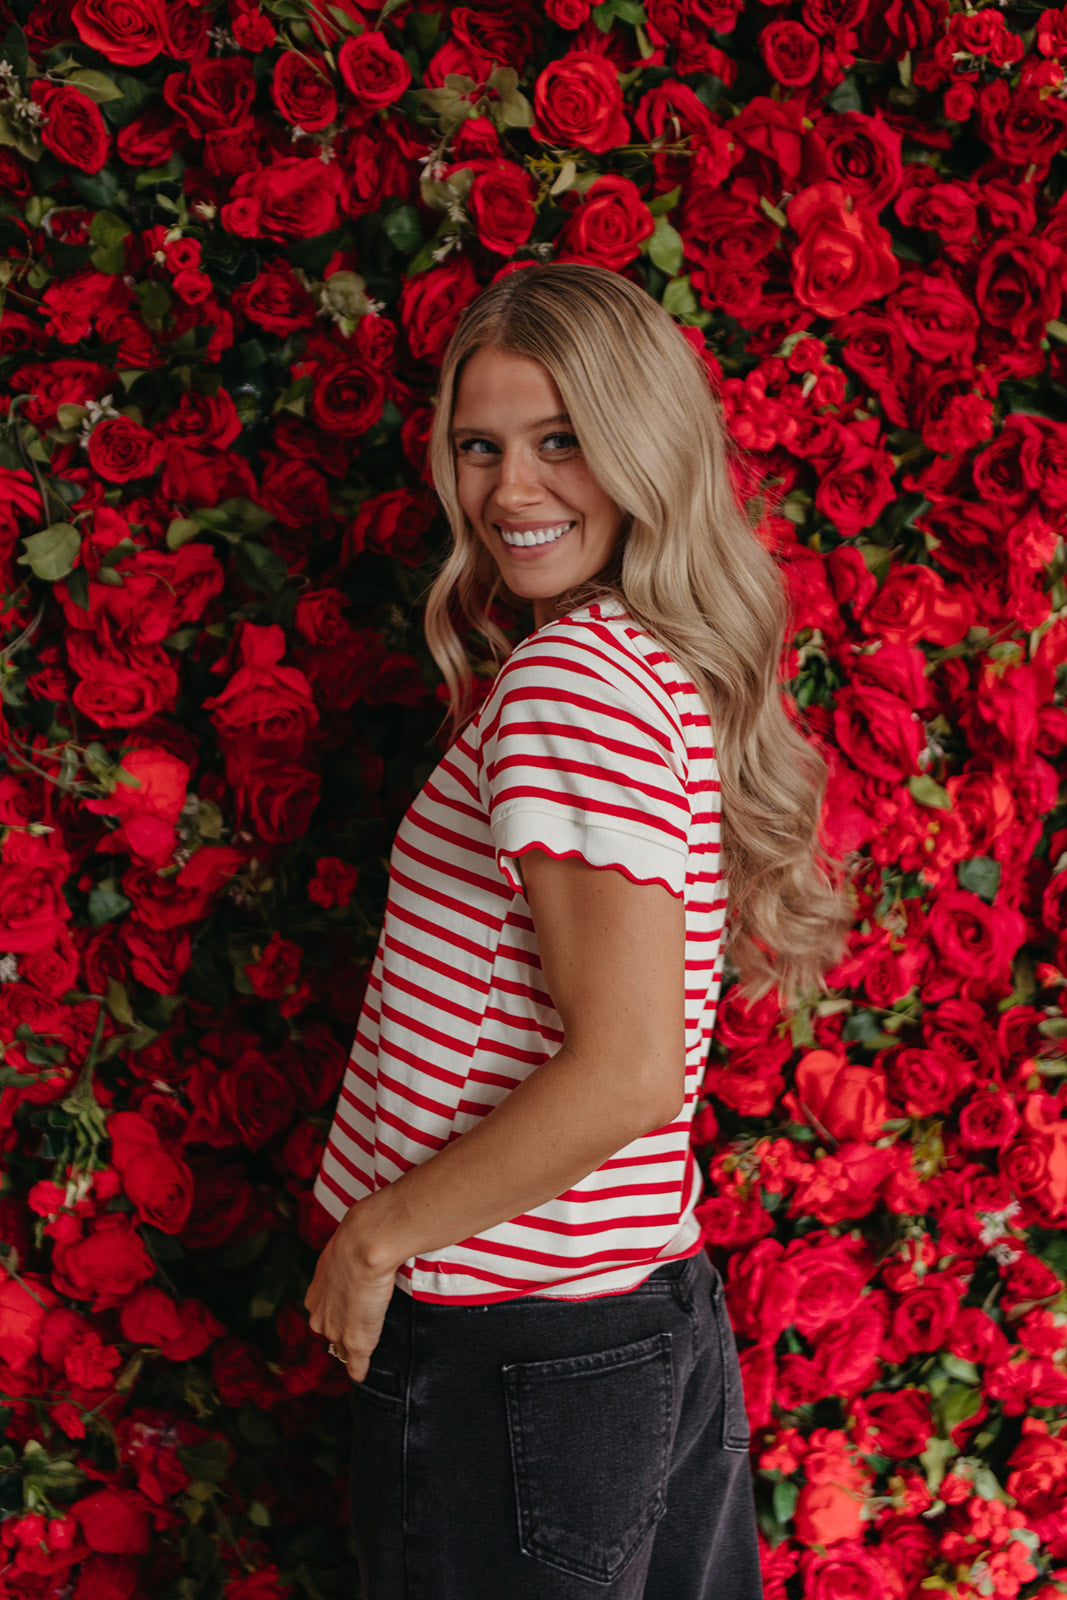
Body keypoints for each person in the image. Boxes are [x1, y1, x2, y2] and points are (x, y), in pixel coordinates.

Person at [305, 263, 847, 1600]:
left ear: (640, 445)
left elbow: (624, 1071)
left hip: (516, 1351)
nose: (509, 491)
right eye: (479, 447)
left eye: (561, 441)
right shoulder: (641, 661)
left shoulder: (569, 685)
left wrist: (375, 1239)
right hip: (629, 1320)